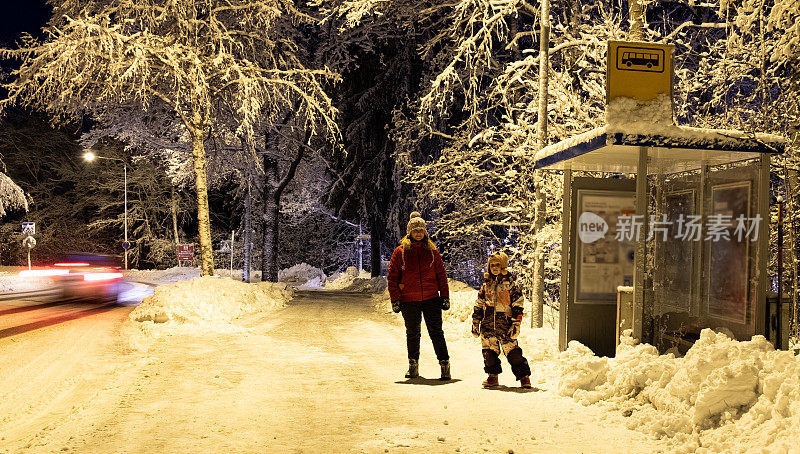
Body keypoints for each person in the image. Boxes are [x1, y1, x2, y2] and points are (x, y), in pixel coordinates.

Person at [387, 212, 451, 380]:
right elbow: (392, 277)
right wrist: (395, 299)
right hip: (409, 300)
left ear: (425, 232)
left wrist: (444, 296)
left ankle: (445, 364)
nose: (418, 233)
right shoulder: (400, 252)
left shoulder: (432, 251)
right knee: (413, 333)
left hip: (431, 298)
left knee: (436, 332)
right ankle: (413, 365)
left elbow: (441, 275)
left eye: (421, 230)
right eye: (415, 230)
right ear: (409, 232)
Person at [471, 251, 532, 389]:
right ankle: (492, 376)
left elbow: (518, 303)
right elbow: (479, 303)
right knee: (489, 352)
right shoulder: (486, 285)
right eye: (491, 265)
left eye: (497, 265)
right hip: (488, 325)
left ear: (504, 266)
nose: (494, 268)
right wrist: (476, 321)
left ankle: (524, 377)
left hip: (505, 323)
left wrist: (516, 322)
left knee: (513, 353)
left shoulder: (510, 285)